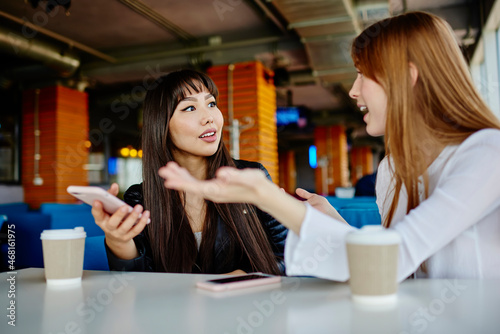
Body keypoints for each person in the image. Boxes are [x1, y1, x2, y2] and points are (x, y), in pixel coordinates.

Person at [158, 11, 500, 281]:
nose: (353, 90)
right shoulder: (392, 168)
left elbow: (393, 260)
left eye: (363, 74)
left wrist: (267, 196)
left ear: (408, 77)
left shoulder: (487, 153)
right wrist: (336, 225)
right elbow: (398, 266)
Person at [91, 69, 287, 275]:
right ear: (162, 126)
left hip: (248, 305)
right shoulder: (141, 198)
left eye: (211, 104)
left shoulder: (252, 176)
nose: (209, 117)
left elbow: (289, 258)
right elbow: (139, 284)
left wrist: (245, 276)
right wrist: (118, 241)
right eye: (190, 107)